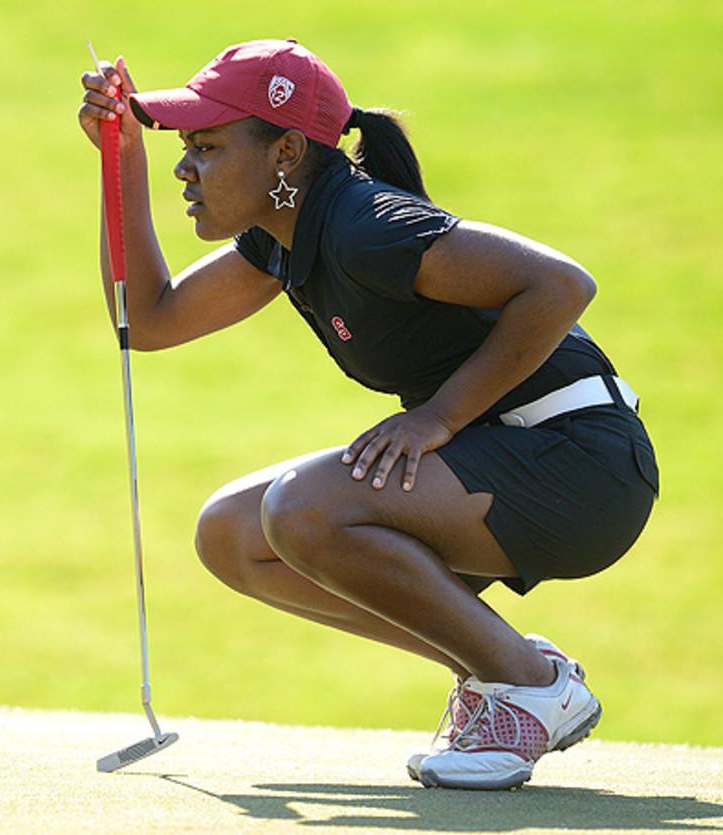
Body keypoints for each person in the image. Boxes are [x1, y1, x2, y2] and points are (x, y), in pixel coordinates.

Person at [78, 39, 659, 790]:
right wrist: (120, 157)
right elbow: (148, 321)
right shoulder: (285, 238)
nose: (186, 168)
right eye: (186, 148)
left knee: (304, 510)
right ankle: (503, 672)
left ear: (286, 151)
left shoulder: (366, 225)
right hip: (513, 460)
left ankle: (527, 686)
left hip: (582, 465)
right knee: (232, 534)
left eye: (209, 147)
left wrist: (439, 418)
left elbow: (559, 284)